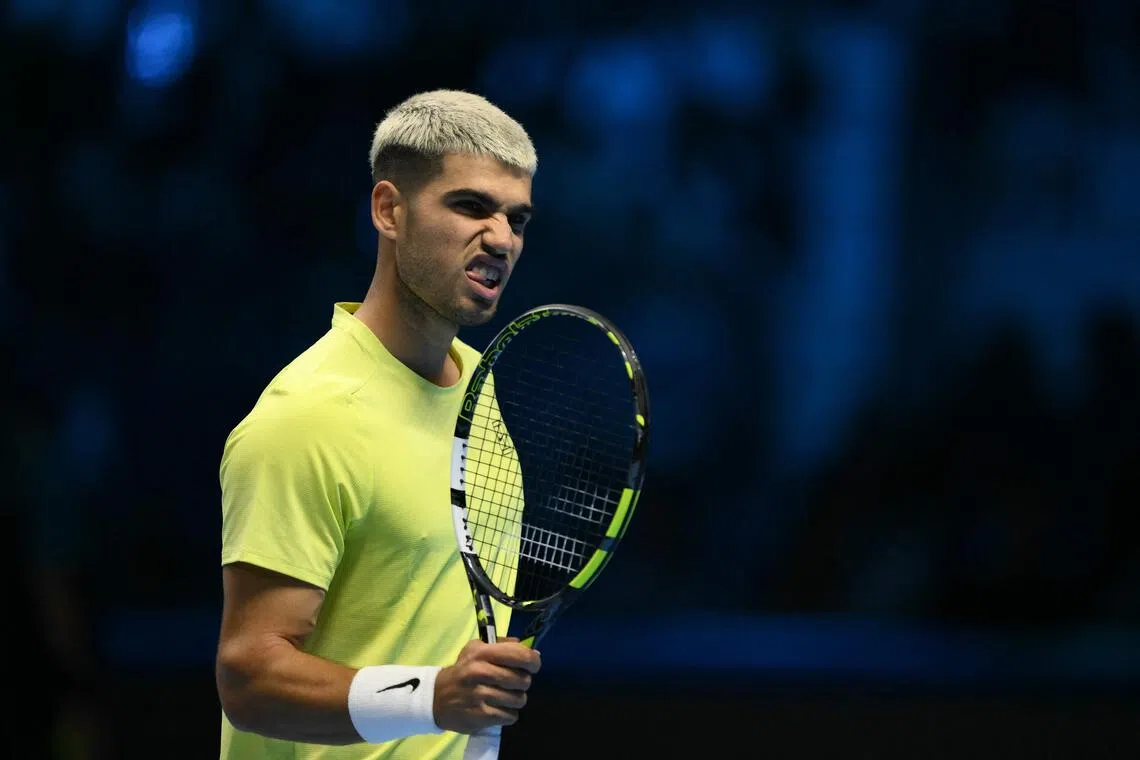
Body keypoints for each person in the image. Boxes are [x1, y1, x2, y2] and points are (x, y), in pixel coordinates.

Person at [215, 89, 542, 760]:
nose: (502, 238)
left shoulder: (482, 387)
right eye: (471, 206)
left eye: (517, 217)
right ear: (389, 209)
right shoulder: (310, 416)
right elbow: (249, 677)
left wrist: (461, 707)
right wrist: (433, 698)